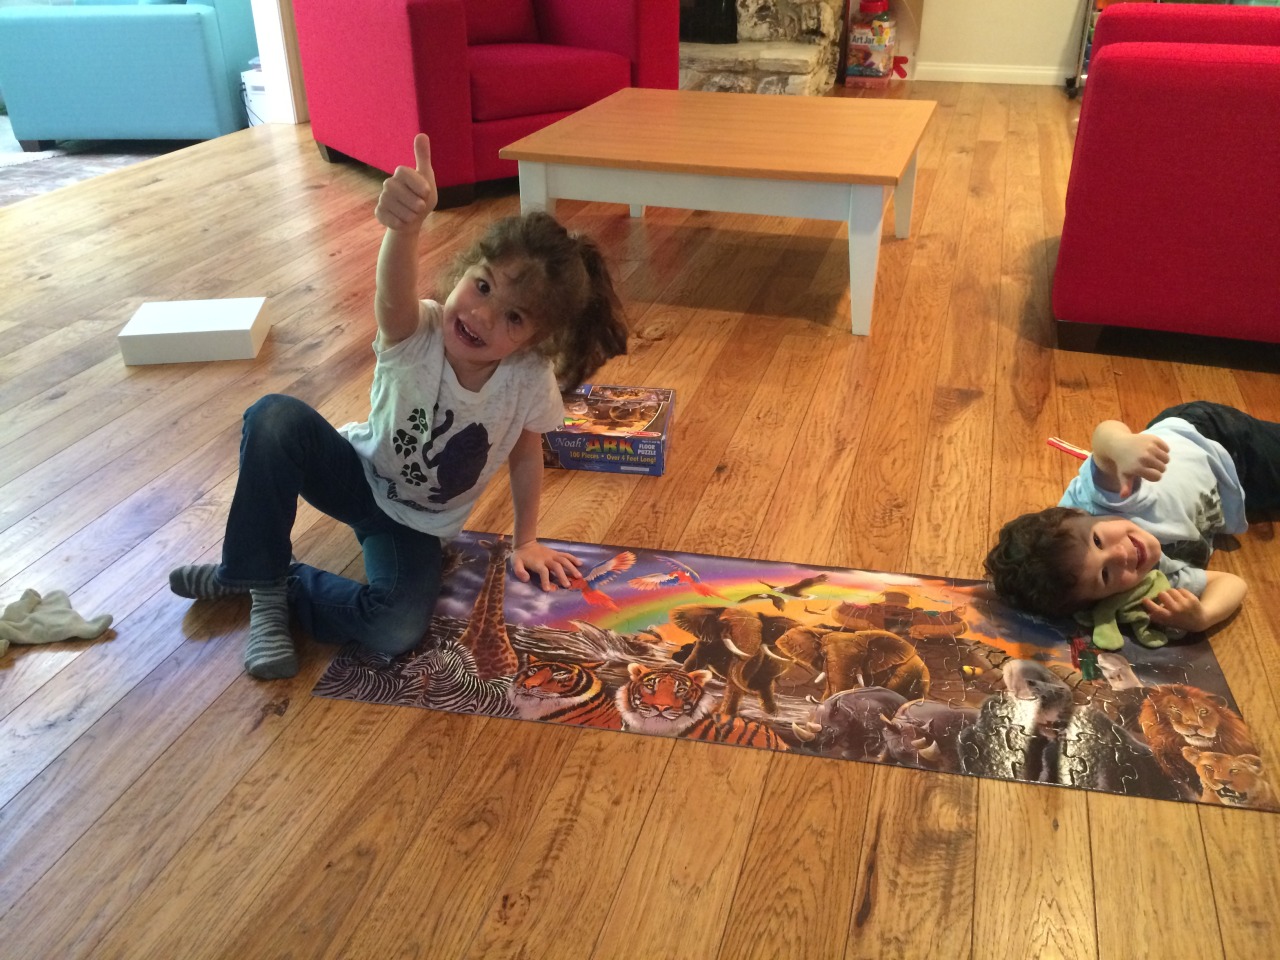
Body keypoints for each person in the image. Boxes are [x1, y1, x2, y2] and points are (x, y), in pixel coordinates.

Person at [168, 133, 628, 679]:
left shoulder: (528, 378)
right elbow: (391, 294)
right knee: (273, 418)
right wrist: (405, 229)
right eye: (482, 287)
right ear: (464, 269)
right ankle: (256, 578)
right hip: (356, 475)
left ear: (536, 339)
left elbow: (527, 455)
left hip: (417, 527)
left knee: (396, 627)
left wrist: (525, 539)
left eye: (514, 317)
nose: (482, 316)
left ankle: (269, 580)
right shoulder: (417, 330)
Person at [984, 401, 1280, 635]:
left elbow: (1104, 438)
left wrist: (1121, 446)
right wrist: (1202, 616)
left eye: (1098, 541)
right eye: (1105, 575)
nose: (1121, 555)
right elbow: (1231, 583)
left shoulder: (1106, 498)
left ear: (1080, 513)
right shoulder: (1150, 581)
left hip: (1208, 436)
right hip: (1235, 489)